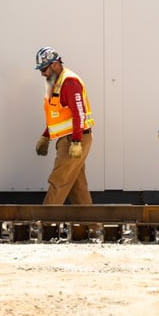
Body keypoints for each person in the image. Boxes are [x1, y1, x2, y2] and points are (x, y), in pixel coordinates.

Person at [34, 47, 94, 205]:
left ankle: (45, 223)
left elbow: (79, 113)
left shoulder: (69, 82)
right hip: (68, 139)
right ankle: (92, 227)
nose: (42, 73)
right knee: (78, 188)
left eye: (44, 69)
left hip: (74, 140)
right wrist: (46, 136)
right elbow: (56, 115)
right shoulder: (54, 83)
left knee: (58, 181)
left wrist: (75, 141)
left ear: (54, 65)